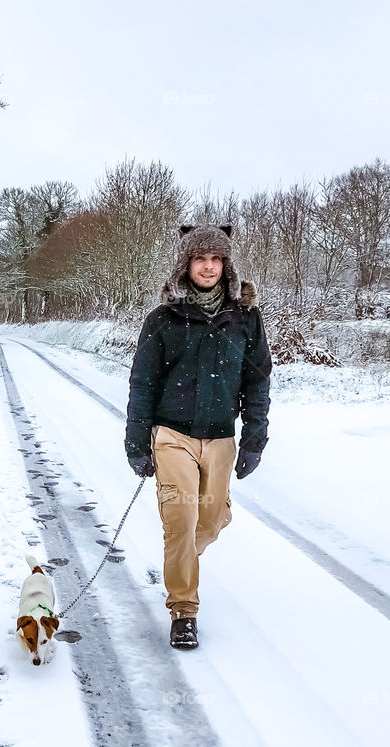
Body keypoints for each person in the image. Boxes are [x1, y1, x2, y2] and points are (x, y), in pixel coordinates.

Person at [124, 224, 272, 649]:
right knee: (181, 520)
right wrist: (137, 443)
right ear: (186, 264)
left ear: (225, 265)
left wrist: (254, 439)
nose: (207, 266)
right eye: (199, 259)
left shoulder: (245, 317)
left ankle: (184, 555)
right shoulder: (164, 318)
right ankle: (183, 610)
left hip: (222, 436)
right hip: (173, 435)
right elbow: (143, 383)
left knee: (208, 521)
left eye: (215, 259)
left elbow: (258, 381)